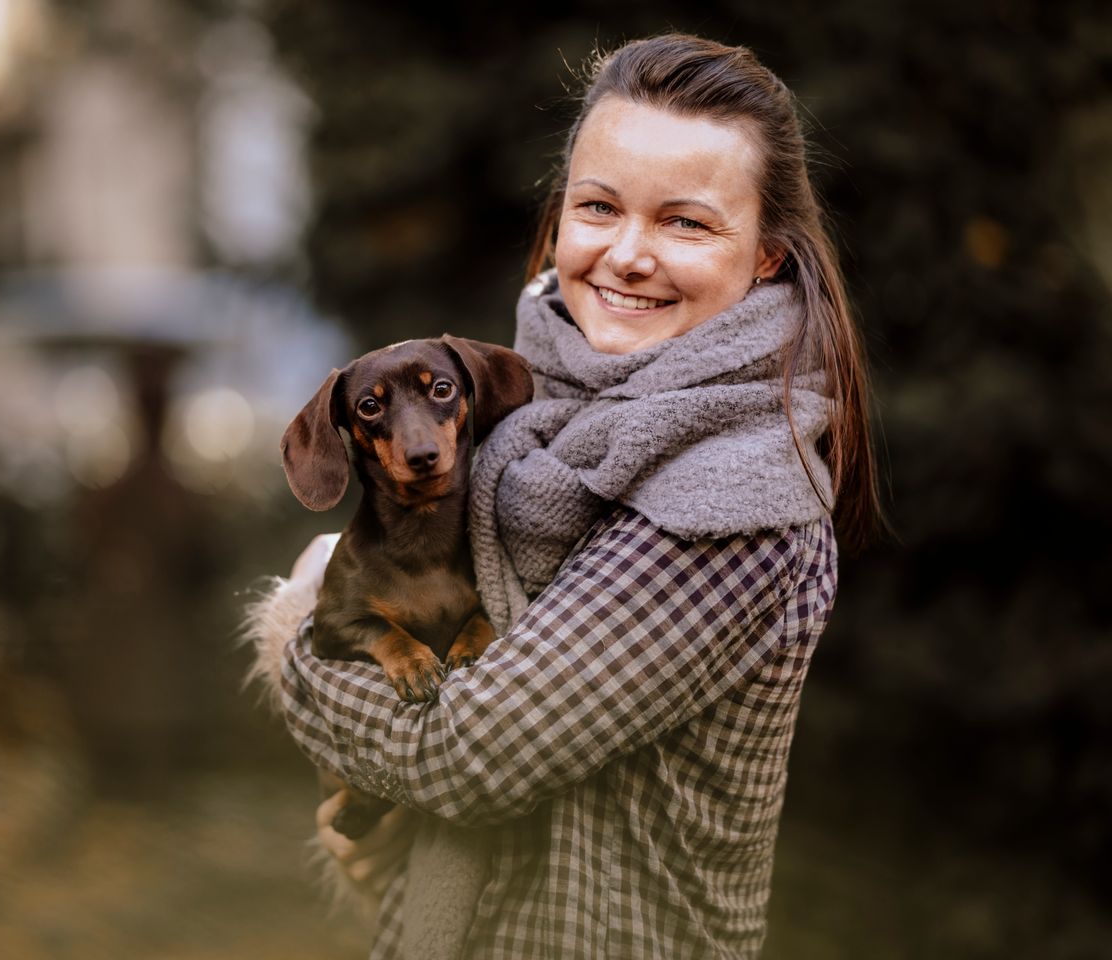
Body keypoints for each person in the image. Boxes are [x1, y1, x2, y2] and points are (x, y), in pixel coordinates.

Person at [261, 32, 877, 960]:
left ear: (765, 258)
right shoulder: (526, 421)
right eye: (600, 207)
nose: (628, 254)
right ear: (559, 220)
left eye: (687, 223)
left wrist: (300, 634)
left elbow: (471, 753)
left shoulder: (733, 498)